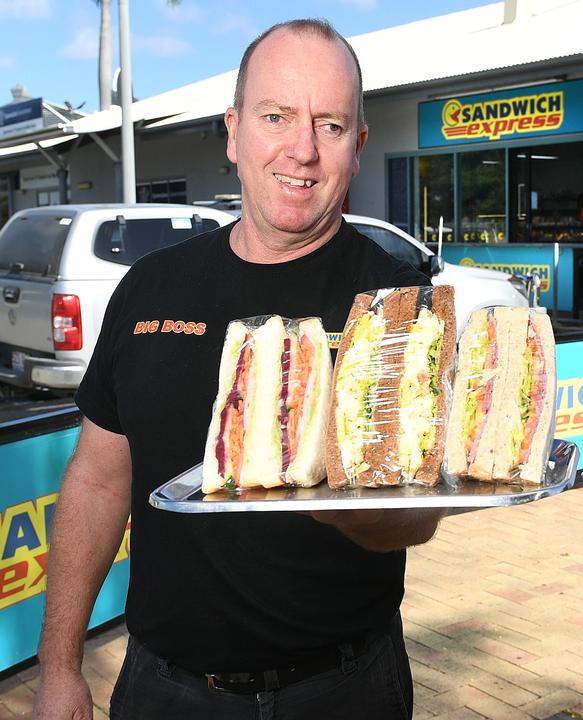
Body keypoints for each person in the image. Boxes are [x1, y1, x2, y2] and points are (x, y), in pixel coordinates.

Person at [34, 19, 442, 720]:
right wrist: (58, 665)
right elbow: (99, 479)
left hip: (343, 690)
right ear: (233, 131)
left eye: (331, 125)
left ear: (359, 147)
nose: (302, 150)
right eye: (276, 116)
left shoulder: (396, 302)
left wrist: (336, 493)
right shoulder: (150, 288)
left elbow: (416, 517)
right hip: (165, 691)